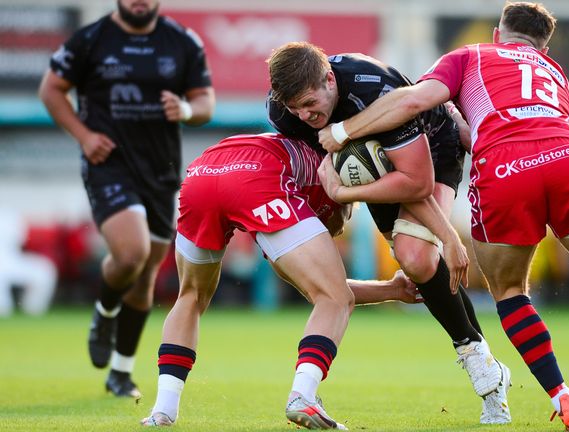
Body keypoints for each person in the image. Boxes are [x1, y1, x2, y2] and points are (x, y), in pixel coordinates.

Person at [316, 2, 569, 431]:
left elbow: (416, 99)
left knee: (509, 291)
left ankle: (564, 398)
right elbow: (527, 123)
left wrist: (342, 132)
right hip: (568, 155)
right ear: (544, 46)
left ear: (497, 33)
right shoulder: (554, 73)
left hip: (506, 168)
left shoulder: (470, 55)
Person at [268, 42, 511, 424]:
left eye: (309, 102)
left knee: (417, 257)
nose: (304, 114)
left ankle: (477, 360)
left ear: (330, 79)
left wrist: (345, 193)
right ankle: (488, 366)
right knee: (416, 260)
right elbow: (327, 161)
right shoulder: (286, 109)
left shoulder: (374, 90)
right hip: (373, 162)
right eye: (294, 107)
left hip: (432, 148)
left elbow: (415, 183)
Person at [140, 132, 421, 428]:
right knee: (335, 299)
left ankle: (163, 411)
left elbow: (317, 289)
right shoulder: (321, 191)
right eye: (346, 215)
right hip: (259, 173)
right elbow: (333, 295)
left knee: (191, 296)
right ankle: (303, 395)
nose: (340, 229)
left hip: (203, 172)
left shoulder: (295, 176)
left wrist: (393, 289)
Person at [38, 0, 215, 398]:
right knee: (131, 253)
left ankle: (121, 371)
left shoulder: (182, 41)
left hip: (161, 169)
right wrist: (84, 137)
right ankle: (104, 312)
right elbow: (51, 89)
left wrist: (186, 108)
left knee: (146, 273)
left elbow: (205, 103)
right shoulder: (91, 39)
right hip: (109, 164)